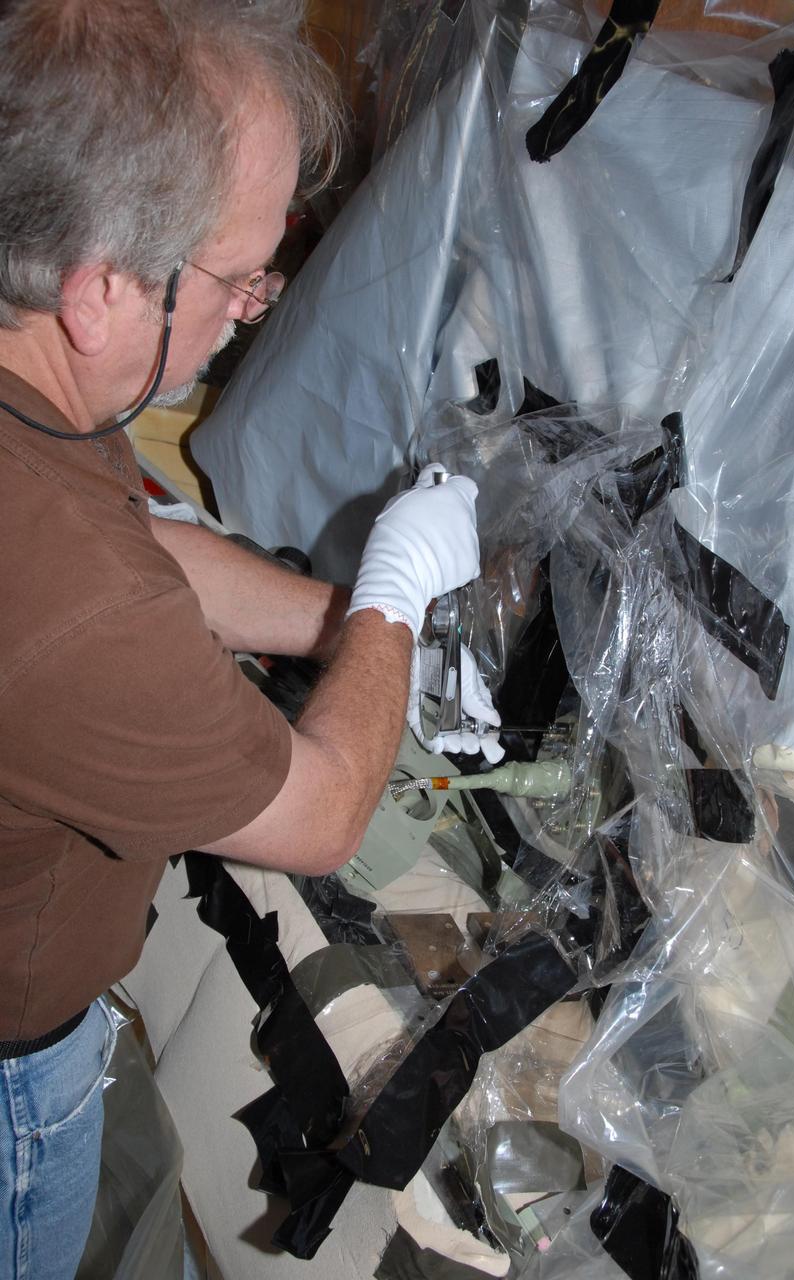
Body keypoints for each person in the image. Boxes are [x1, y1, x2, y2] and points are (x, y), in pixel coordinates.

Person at [0, 2, 500, 1276]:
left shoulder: (36, 380)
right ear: (99, 288)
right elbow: (321, 812)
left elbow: (139, 546)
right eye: (237, 279)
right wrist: (395, 595)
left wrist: (341, 622)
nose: (251, 309)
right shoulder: (62, 596)